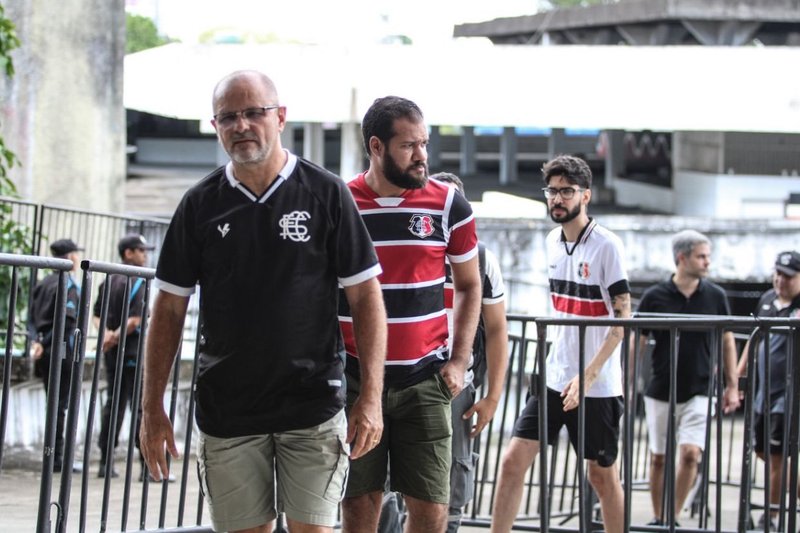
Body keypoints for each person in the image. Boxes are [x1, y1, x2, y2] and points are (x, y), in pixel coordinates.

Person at [139, 70, 387, 533]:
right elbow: (169, 308)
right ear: (215, 126)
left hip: (312, 405)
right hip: (228, 409)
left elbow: (366, 297)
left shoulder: (326, 192)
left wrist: (370, 396)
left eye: (254, 112)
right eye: (228, 117)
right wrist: (151, 406)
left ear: (281, 117)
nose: (241, 125)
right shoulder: (199, 204)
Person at [340, 96, 482, 533]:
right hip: (354, 380)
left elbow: (470, 285)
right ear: (376, 146)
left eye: (424, 143)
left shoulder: (449, 204)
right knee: (359, 505)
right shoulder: (340, 203)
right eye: (408, 146)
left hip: (425, 381)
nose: (422, 155)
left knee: (432, 510)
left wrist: (459, 361)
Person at [490, 155, 630, 533]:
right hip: (553, 378)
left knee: (602, 476)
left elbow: (622, 322)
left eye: (567, 191)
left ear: (585, 195)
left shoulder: (607, 245)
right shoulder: (552, 240)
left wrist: (588, 375)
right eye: (552, 191)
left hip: (596, 386)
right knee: (512, 463)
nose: (557, 198)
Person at [633, 229, 740, 526]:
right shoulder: (655, 296)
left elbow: (727, 339)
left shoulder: (715, 296)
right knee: (658, 457)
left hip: (701, 388)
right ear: (682, 258)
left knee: (691, 454)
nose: (707, 262)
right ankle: (659, 517)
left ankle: (672, 517)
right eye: (701, 256)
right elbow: (637, 340)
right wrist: (627, 381)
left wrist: (732, 385)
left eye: (708, 256)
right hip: (660, 387)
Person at [431, 172, 510, 533]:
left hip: (458, 386)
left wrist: (493, 397)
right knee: (393, 481)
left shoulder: (480, 258)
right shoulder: (412, 249)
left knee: (455, 478)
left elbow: (496, 329)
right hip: (405, 377)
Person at [737, 250, 800, 530]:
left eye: (788, 276)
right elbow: (755, 339)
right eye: (778, 274)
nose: (781, 280)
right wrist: (738, 376)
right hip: (763, 390)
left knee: (777, 456)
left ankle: (771, 516)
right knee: (762, 451)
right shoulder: (766, 300)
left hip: (790, 393)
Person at [93, 233, 155, 479]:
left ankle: (105, 463)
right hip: (133, 352)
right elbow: (135, 320)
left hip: (112, 352)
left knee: (114, 404)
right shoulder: (139, 280)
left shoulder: (108, 279)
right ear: (128, 253)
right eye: (141, 250)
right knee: (140, 407)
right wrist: (116, 336)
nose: (145, 255)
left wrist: (107, 336)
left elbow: (96, 315)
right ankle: (146, 467)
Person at [28, 238, 83, 473]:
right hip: (60, 348)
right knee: (60, 405)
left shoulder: (42, 284)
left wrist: (36, 342)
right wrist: (45, 342)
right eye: (76, 254)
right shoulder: (67, 283)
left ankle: (53, 455)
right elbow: (67, 322)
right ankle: (57, 458)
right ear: (70, 257)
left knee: (52, 403)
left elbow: (30, 320)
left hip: (43, 349)